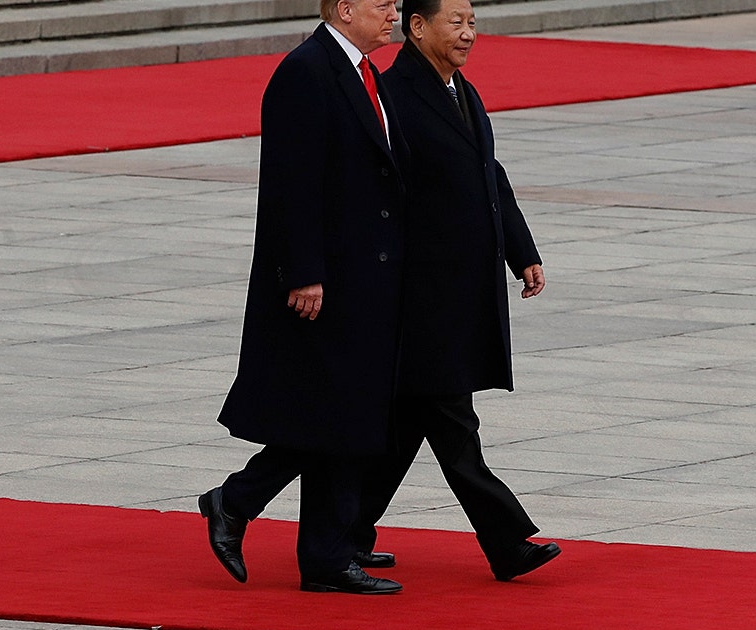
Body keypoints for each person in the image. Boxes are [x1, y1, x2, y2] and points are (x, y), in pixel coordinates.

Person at [199, 0, 407, 595]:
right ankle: (254, 513)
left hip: (364, 277)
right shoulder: (306, 71)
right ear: (344, 8)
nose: (393, 13)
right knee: (334, 413)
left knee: (339, 414)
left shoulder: (365, 72)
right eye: (382, 3)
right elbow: (290, 182)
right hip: (324, 281)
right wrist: (303, 273)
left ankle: (311, 546)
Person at [359, 0, 559, 582]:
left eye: (472, 23)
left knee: (406, 426)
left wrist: (521, 250)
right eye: (457, 22)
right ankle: (507, 541)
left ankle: (341, 533)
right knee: (453, 423)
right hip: (421, 294)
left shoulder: (459, 90)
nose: (469, 33)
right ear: (418, 27)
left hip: (458, 290)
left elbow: (488, 174)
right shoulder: (394, 95)